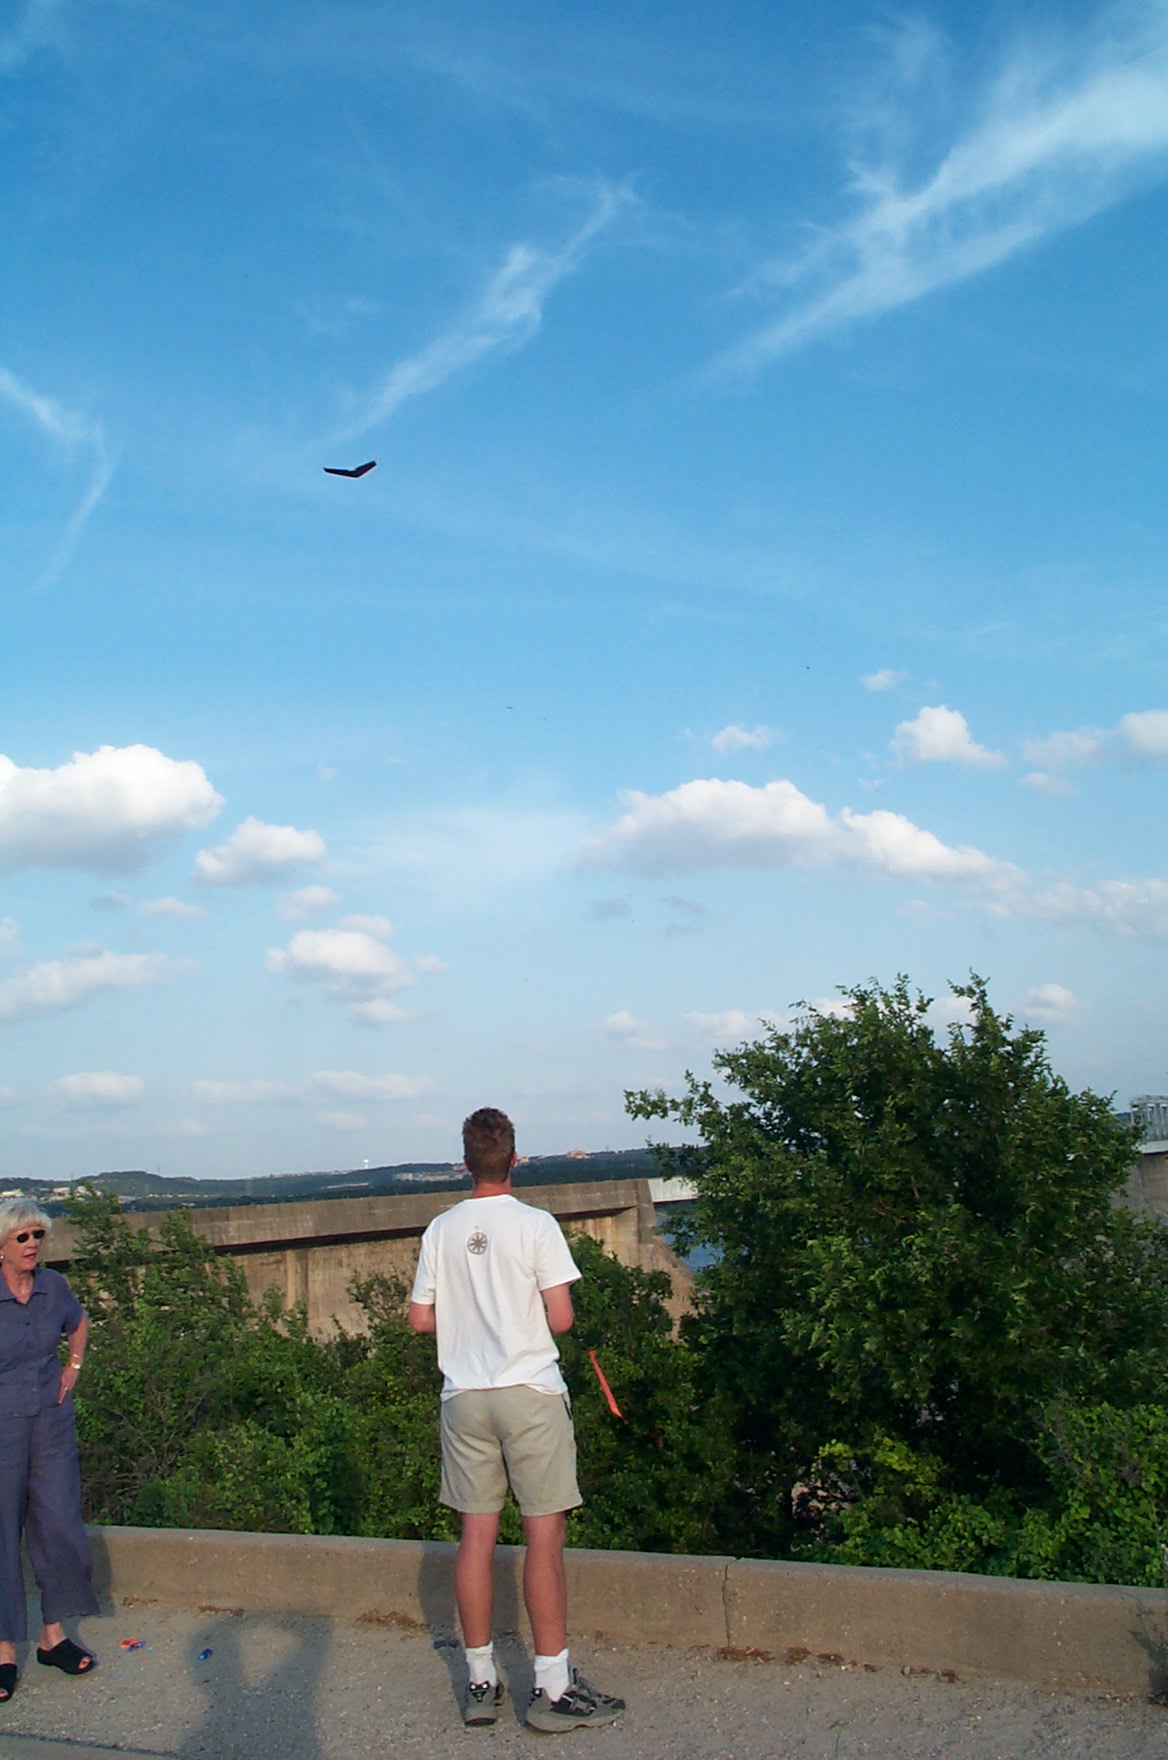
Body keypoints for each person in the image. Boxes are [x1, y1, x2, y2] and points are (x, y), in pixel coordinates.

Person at [408, 1108, 625, 1732]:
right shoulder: (536, 1226)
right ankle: (552, 1686)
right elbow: (561, 1319)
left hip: (465, 1398)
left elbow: (421, 1320)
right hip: (529, 1391)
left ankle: (480, 1680)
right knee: (543, 1539)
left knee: (475, 1539)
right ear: (515, 1158)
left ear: (466, 1160)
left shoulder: (441, 1230)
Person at [0, 1199, 100, 1703]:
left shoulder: (54, 1287)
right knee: (1, 1533)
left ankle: (53, 1637)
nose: (33, 1244)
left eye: (38, 1234)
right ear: (2, 1244)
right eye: (22, 1237)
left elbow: (78, 1324)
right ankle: (3, 1651)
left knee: (59, 1525)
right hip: (1, 1430)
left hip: (52, 1425)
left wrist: (74, 1367)